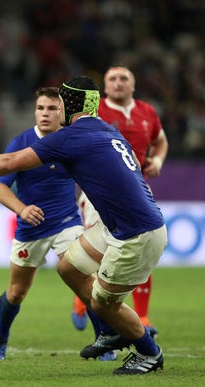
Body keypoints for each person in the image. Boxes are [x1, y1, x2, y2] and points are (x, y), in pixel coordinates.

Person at [0, 76, 166, 375]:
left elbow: (10, 162)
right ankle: (113, 331)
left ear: (70, 105)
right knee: (69, 268)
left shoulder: (72, 136)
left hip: (135, 235)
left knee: (104, 305)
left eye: (59, 104)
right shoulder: (106, 130)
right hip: (119, 227)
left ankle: (148, 353)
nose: (52, 111)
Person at [0, 87, 84, 360]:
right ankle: (0, 336)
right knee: (17, 292)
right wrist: (22, 208)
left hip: (67, 223)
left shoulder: (72, 141)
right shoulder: (21, 143)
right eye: (41, 108)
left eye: (52, 109)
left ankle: (104, 339)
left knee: (85, 280)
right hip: (31, 229)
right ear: (35, 111)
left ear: (63, 114)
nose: (45, 113)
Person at [71, 66, 168, 337]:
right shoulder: (97, 110)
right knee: (105, 248)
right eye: (112, 78)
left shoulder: (147, 112)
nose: (117, 83)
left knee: (140, 248)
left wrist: (158, 160)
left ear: (133, 85)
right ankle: (86, 298)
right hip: (97, 192)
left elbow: (161, 141)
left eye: (123, 78)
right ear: (105, 86)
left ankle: (142, 316)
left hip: (135, 187)